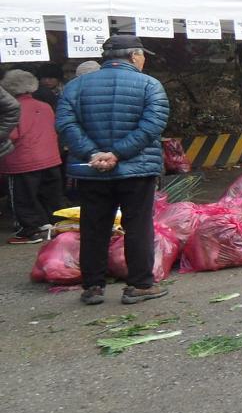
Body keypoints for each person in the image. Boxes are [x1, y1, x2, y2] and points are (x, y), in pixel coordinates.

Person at [56, 34, 170, 306]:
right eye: (142, 55)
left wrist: (93, 154)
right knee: (138, 226)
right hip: (137, 170)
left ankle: (92, 287)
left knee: (94, 227)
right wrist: (118, 153)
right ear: (133, 56)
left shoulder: (75, 87)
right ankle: (140, 285)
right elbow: (153, 125)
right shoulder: (150, 86)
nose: (143, 60)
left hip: (92, 170)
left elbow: (66, 124)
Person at [1, 70, 63, 244]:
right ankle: (52, 225)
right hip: (51, 158)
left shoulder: (11, 108)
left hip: (23, 160)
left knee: (23, 198)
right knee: (50, 196)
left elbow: (11, 134)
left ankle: (28, 232)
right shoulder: (44, 106)